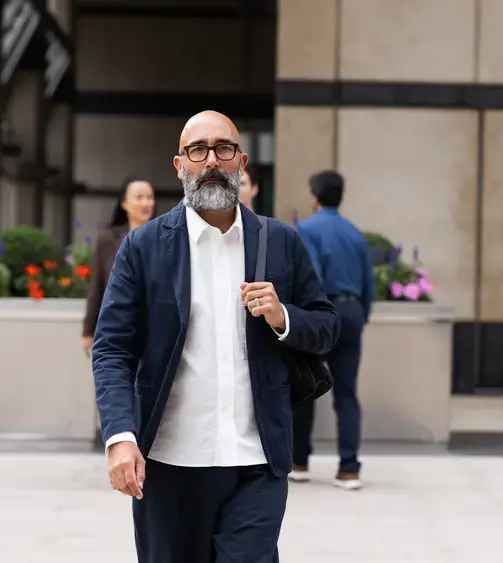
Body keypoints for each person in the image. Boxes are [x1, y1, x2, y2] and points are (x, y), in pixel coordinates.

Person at [92, 110, 340, 563]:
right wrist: (120, 436)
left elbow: (326, 326)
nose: (211, 160)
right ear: (180, 164)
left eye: (223, 149)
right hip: (167, 465)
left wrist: (283, 315)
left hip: (257, 462)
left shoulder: (280, 241)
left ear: (241, 162)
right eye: (197, 150)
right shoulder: (145, 247)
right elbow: (112, 348)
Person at [291, 170, 374, 491]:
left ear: (314, 197)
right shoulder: (355, 234)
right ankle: (349, 468)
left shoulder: (307, 230)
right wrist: (360, 316)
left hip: (321, 313)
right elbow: (368, 285)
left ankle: (299, 462)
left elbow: (312, 279)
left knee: (305, 383)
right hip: (352, 311)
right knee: (348, 393)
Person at [81, 177, 155, 358]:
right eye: (139, 197)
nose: (146, 203)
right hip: (117, 329)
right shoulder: (109, 239)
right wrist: (88, 331)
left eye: (149, 197)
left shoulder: (164, 238)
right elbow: (97, 286)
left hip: (154, 329)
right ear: (124, 203)